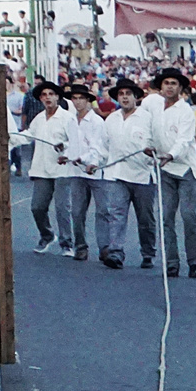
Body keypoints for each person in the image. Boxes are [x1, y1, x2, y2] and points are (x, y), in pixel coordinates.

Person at [146, 67, 196, 278]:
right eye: (166, 83)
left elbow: (185, 139)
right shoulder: (154, 108)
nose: (169, 87)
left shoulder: (186, 111)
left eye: (173, 83)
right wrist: (148, 146)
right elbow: (149, 133)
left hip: (185, 169)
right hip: (164, 169)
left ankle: (194, 261)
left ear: (180, 88)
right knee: (166, 217)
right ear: (160, 87)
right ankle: (171, 262)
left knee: (188, 216)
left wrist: (170, 154)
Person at [99, 76, 156, 270]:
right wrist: (93, 162)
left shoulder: (147, 118)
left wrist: (151, 153)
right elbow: (103, 146)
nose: (124, 98)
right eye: (121, 94)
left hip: (142, 174)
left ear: (136, 97)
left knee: (145, 218)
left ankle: (148, 253)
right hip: (117, 173)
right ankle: (116, 252)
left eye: (128, 94)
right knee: (116, 214)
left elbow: (156, 143)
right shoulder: (111, 119)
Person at [23, 80, 76, 254]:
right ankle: (47, 235)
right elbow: (28, 136)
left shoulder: (67, 118)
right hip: (41, 168)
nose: (48, 98)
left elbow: (76, 142)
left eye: (51, 94)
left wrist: (65, 147)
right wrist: (11, 137)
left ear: (58, 97)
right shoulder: (38, 119)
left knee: (62, 208)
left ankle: (66, 243)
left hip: (62, 168)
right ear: (40, 99)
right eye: (44, 95)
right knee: (37, 207)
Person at [63, 83, 107, 262]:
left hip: (95, 171)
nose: (78, 102)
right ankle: (80, 246)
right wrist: (65, 155)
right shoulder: (70, 120)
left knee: (103, 211)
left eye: (82, 98)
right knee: (77, 211)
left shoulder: (97, 121)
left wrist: (89, 160)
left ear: (88, 101)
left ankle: (105, 248)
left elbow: (99, 146)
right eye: (75, 98)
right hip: (76, 171)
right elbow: (70, 143)